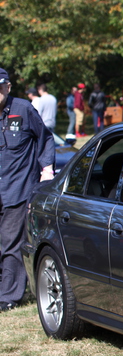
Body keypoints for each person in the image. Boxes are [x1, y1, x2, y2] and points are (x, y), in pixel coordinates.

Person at [0, 67, 55, 310]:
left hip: (17, 188)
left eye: (0, 87)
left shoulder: (23, 109)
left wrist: (47, 169)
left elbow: (46, 138)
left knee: (11, 243)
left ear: (8, 87)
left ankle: (8, 297)